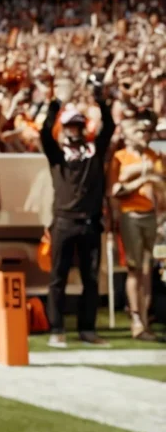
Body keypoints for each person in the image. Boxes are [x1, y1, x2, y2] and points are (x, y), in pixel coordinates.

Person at [41, 77, 114, 347]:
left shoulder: (95, 151)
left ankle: (87, 329)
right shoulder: (57, 154)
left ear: (83, 127)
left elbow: (110, 128)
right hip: (63, 221)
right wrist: (57, 103)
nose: (73, 129)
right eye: (69, 125)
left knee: (91, 279)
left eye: (77, 125)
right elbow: (43, 132)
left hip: (91, 222)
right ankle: (56, 329)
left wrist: (101, 100)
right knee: (57, 278)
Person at [108, 112, 162, 342]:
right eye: (140, 131)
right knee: (134, 267)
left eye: (147, 131)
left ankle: (145, 319)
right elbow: (115, 190)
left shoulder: (154, 155)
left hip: (152, 215)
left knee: (149, 269)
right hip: (130, 215)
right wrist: (141, 177)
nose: (145, 135)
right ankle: (136, 318)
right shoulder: (120, 157)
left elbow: (160, 181)